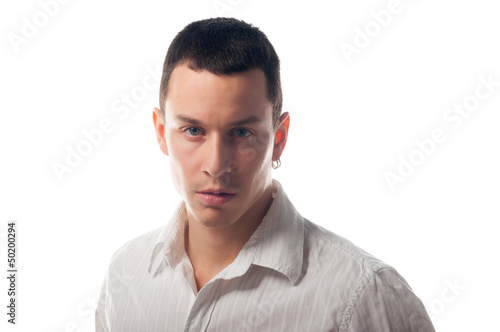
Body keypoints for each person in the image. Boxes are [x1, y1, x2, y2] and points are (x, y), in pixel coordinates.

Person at [95, 17, 435, 331]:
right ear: (160, 132)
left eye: (241, 133)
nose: (215, 164)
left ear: (279, 140)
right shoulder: (126, 273)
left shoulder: (364, 294)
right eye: (193, 131)